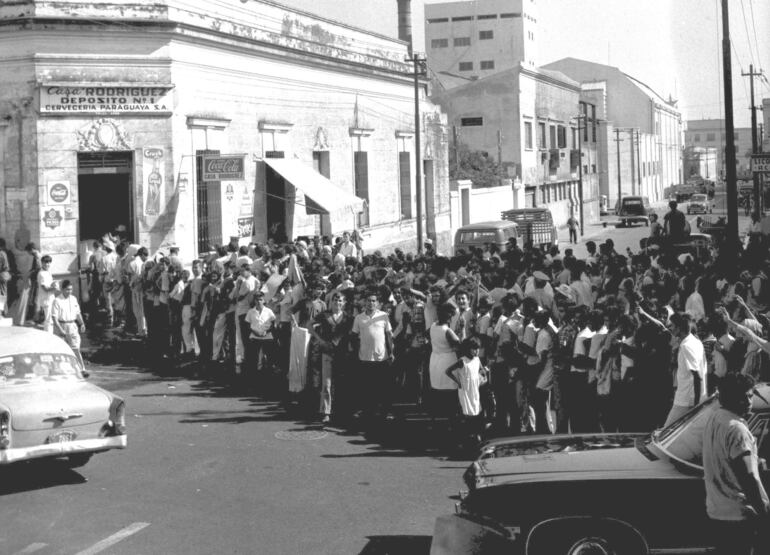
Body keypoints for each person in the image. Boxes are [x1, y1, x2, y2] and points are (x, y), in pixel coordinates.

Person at [703, 373, 769, 555]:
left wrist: (757, 460)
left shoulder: (715, 418)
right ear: (732, 397)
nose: (750, 401)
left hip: (717, 510)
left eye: (750, 396)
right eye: (746, 396)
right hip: (739, 516)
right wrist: (764, 514)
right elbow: (749, 478)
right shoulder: (737, 430)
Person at [350, 289, 394, 422]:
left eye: (373, 301)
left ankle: (385, 412)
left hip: (381, 358)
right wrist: (357, 351)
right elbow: (353, 336)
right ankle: (366, 411)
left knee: (382, 387)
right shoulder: (359, 318)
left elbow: (389, 336)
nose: (371, 303)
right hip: (365, 358)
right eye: (368, 300)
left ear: (378, 303)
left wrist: (391, 353)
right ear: (365, 302)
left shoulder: (384, 316)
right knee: (366, 387)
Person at [664, 312, 707, 427]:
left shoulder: (686, 346)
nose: (670, 328)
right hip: (688, 399)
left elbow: (697, 376)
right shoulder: (696, 341)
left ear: (679, 328)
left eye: (672, 325)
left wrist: (696, 406)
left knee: (666, 433)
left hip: (686, 400)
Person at [445, 337, 487, 447]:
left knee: (476, 411)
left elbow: (481, 370)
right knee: (465, 413)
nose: (476, 351)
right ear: (468, 349)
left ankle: (475, 435)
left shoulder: (477, 359)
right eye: (474, 349)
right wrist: (458, 381)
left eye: (478, 349)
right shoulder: (462, 361)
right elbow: (448, 371)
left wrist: (483, 377)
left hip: (474, 390)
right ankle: (463, 437)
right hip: (465, 390)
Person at [51, 279, 87, 372]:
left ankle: (82, 369)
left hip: (72, 326)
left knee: (75, 348)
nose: (69, 291)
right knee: (61, 350)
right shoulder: (57, 301)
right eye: (67, 289)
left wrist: (82, 323)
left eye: (71, 289)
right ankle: (60, 369)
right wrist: (60, 330)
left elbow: (78, 313)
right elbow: (54, 318)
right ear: (62, 289)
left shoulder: (74, 299)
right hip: (62, 326)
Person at [36, 254, 58, 333]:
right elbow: (44, 288)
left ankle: (48, 334)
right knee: (49, 319)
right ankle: (48, 336)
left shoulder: (48, 272)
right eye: (45, 262)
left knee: (50, 318)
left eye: (49, 262)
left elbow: (50, 283)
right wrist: (54, 288)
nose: (47, 264)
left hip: (50, 298)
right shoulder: (41, 274)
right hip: (46, 299)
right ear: (42, 263)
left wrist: (54, 283)